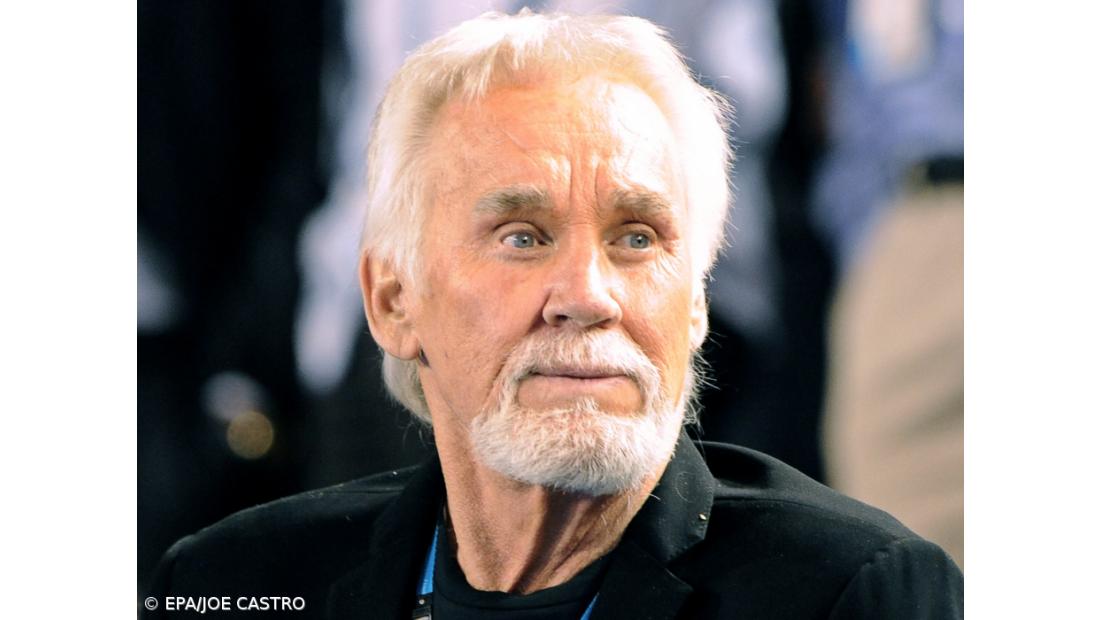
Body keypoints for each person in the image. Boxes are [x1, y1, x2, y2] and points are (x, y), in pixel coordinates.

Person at [145, 11, 962, 619]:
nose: (588, 295)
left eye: (636, 238)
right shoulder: (230, 581)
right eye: (523, 237)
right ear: (393, 302)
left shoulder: (848, 592)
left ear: (696, 305)